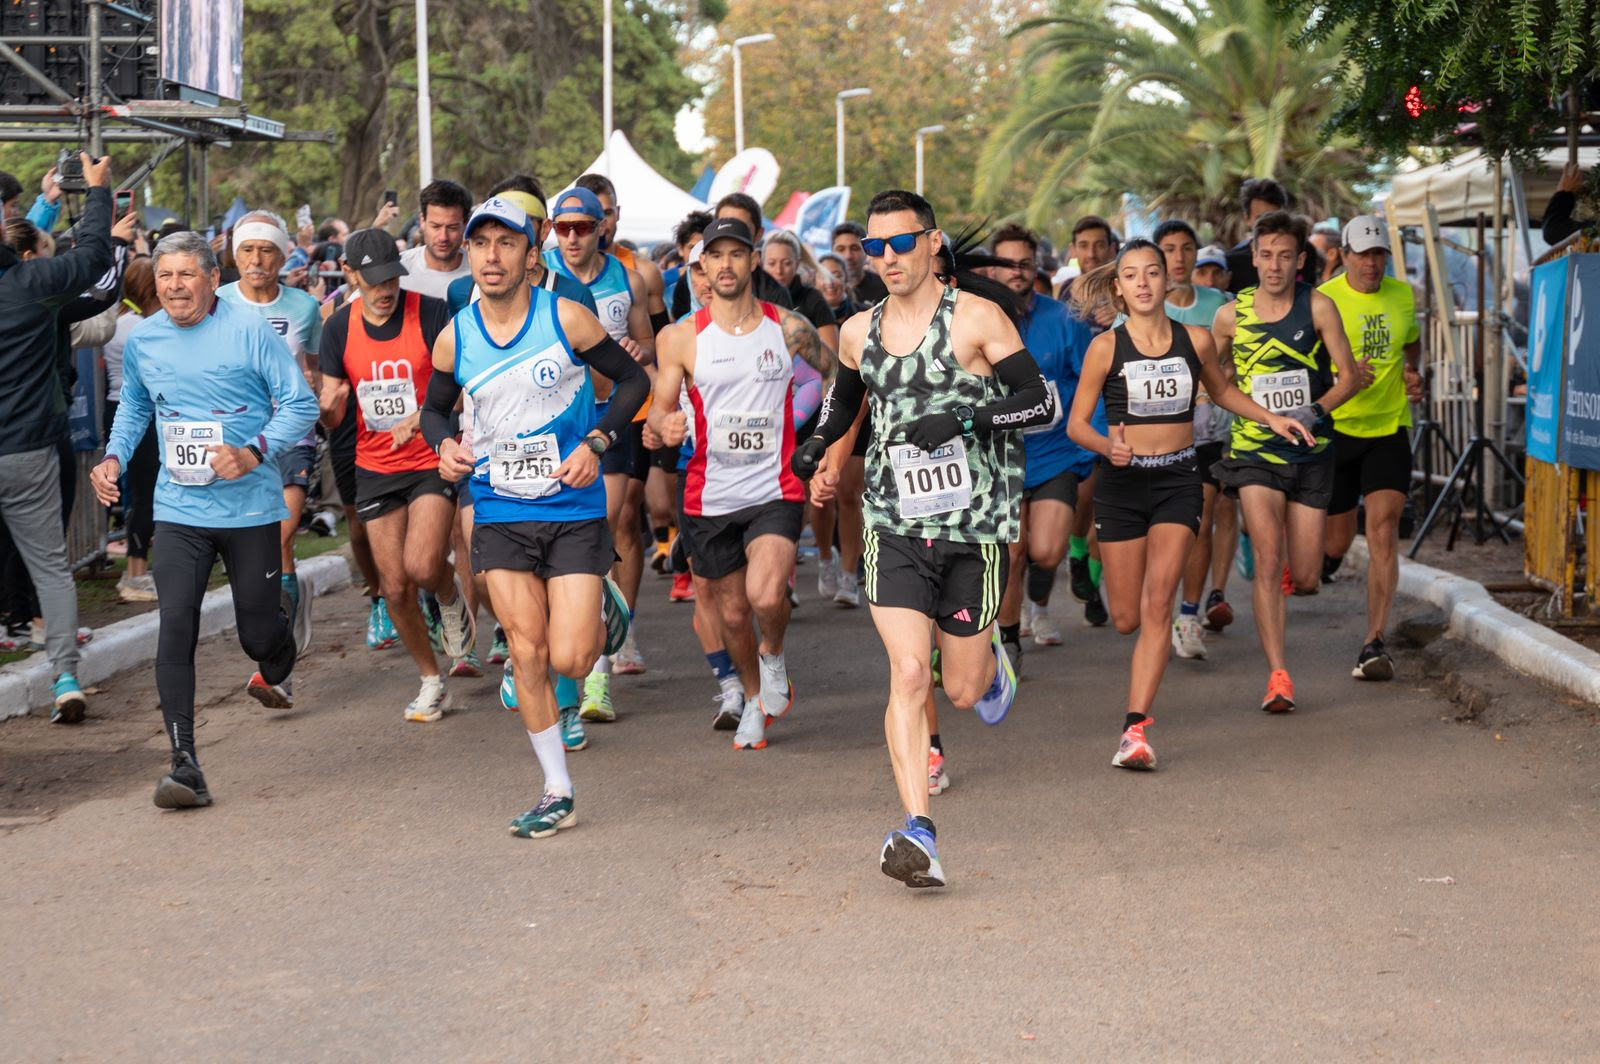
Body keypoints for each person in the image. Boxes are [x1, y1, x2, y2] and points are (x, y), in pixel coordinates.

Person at [792, 189, 1053, 889]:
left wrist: (964, 421)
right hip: (895, 522)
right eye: (873, 247)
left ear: (933, 243)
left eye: (900, 243)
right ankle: (919, 832)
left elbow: (1039, 401)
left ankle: (988, 662)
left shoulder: (977, 318)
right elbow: (845, 402)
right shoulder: (858, 330)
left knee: (962, 690)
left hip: (974, 526)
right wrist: (818, 446)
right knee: (908, 673)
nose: (886, 258)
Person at [420, 195, 648, 837]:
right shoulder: (456, 335)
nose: (491, 256)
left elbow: (633, 383)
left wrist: (596, 443)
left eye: (506, 243)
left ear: (530, 253)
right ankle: (557, 790)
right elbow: (436, 409)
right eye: (480, 244)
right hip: (499, 506)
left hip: (572, 506)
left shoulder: (565, 317)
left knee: (572, 659)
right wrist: (444, 445)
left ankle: (602, 605)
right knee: (526, 650)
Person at [92, 231, 318, 806]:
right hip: (179, 508)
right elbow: (136, 404)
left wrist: (253, 452)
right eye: (165, 276)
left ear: (213, 279)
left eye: (186, 275)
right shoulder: (145, 339)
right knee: (176, 625)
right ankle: (184, 763)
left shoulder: (250, 331)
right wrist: (114, 456)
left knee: (257, 638)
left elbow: (301, 404)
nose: (174, 287)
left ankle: (280, 626)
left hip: (249, 507)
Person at [1067, 239, 1312, 770]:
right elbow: (1076, 424)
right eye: (1131, 275)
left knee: (1160, 604)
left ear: (1166, 280)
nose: (1143, 283)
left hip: (1179, 479)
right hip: (1122, 484)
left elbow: (1222, 392)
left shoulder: (1195, 340)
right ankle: (1130, 652)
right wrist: (1107, 446)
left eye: (1152, 272)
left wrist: (1271, 417)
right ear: (1119, 288)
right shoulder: (1106, 348)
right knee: (1127, 617)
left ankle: (1135, 730)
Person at [649, 217, 806, 749]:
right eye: (714, 256)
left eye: (735, 254)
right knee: (734, 614)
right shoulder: (680, 338)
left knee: (765, 595)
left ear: (753, 261)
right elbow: (659, 412)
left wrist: (826, 448)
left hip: (774, 488)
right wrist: (664, 425)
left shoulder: (788, 327)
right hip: (708, 494)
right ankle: (756, 700)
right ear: (701, 266)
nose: (725, 265)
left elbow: (838, 377)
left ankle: (774, 654)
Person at [318, 227, 472, 721]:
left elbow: (464, 387)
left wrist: (423, 415)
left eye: (392, 278)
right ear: (350, 275)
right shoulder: (338, 329)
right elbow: (332, 411)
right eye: (374, 280)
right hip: (375, 465)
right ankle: (431, 680)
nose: (385, 290)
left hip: (429, 457)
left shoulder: (430, 314)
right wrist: (328, 408)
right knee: (395, 586)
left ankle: (447, 592)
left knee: (423, 566)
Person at [1211, 211, 1362, 712]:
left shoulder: (1318, 306)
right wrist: (1232, 396)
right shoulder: (1231, 316)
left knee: (1308, 576)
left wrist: (1313, 410)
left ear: (1299, 261)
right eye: (1266, 255)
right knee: (1269, 558)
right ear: (1253, 258)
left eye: (1284, 256)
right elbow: (1214, 375)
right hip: (1254, 449)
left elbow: (1348, 377)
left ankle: (1278, 576)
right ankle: (1278, 676)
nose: (1274, 265)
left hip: (1310, 449)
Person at [0, 152, 116, 723]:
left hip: (24, 447)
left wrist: (47, 208)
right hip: (26, 451)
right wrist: (97, 192)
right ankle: (65, 677)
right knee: (49, 566)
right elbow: (93, 258)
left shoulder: (28, 279)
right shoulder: (29, 284)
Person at [543, 185, 654, 718]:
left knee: (612, 523)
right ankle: (561, 639)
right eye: (563, 228)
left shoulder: (626, 278)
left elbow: (648, 342)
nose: (572, 238)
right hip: (558, 421)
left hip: (611, 416)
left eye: (582, 228)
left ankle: (606, 655)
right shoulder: (542, 275)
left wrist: (635, 350)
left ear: (601, 228)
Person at [1319, 216, 1424, 680]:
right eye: (1362, 254)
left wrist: (1412, 373)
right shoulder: (1324, 300)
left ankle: (1374, 643)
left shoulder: (1402, 295)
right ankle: (1324, 561)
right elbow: (1306, 363)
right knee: (1336, 542)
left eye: (1379, 253)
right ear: (1343, 256)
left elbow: (1411, 343)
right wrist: (1337, 379)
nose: (1371, 263)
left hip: (1388, 427)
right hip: (1337, 430)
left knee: (1383, 529)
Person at [985, 223, 1095, 660]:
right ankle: (1009, 641)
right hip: (1000, 459)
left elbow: (1090, 382)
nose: (1017, 271)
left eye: (1025, 263)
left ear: (1037, 267)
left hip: (1055, 455)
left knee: (1046, 552)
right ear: (992, 270)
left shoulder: (1065, 319)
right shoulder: (976, 318)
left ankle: (1039, 602)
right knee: (1012, 554)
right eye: (1007, 264)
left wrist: (1089, 442)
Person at [217, 210, 324, 655]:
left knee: (280, 532)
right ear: (235, 255)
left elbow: (314, 369)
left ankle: (277, 652)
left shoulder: (304, 307)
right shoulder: (217, 302)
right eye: (247, 250)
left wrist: (313, 388)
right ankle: (286, 620)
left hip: (292, 435)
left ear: (282, 256)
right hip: (238, 438)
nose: (256, 260)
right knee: (263, 547)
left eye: (266, 250)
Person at [1153, 220, 1235, 658]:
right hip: (1154, 438)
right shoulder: (1141, 307)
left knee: (1201, 516)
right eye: (1169, 249)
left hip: (1209, 432)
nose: (1179, 257)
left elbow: (1238, 359)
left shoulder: (1219, 304)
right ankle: (1159, 610)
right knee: (1164, 532)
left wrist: (1217, 380)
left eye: (1187, 248)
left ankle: (1188, 615)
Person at [104, 256, 163, 603]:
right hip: (137, 414)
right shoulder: (140, 327)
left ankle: (137, 569)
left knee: (140, 494)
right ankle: (136, 573)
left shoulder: (121, 321)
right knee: (144, 495)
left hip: (119, 409)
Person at [1225, 178, 1323, 292]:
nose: (1274, 266)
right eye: (1260, 219)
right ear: (1246, 218)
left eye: (1273, 216)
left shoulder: (1305, 250)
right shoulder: (1233, 261)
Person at [762, 230, 838, 352]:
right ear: (761, 264)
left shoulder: (813, 299)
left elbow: (832, 351)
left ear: (797, 264)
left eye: (786, 263)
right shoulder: (751, 298)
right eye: (771, 263)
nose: (778, 270)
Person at [831, 221, 889, 305]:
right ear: (832, 253)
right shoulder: (821, 290)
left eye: (855, 248)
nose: (848, 256)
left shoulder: (885, 287)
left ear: (865, 251)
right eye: (841, 249)